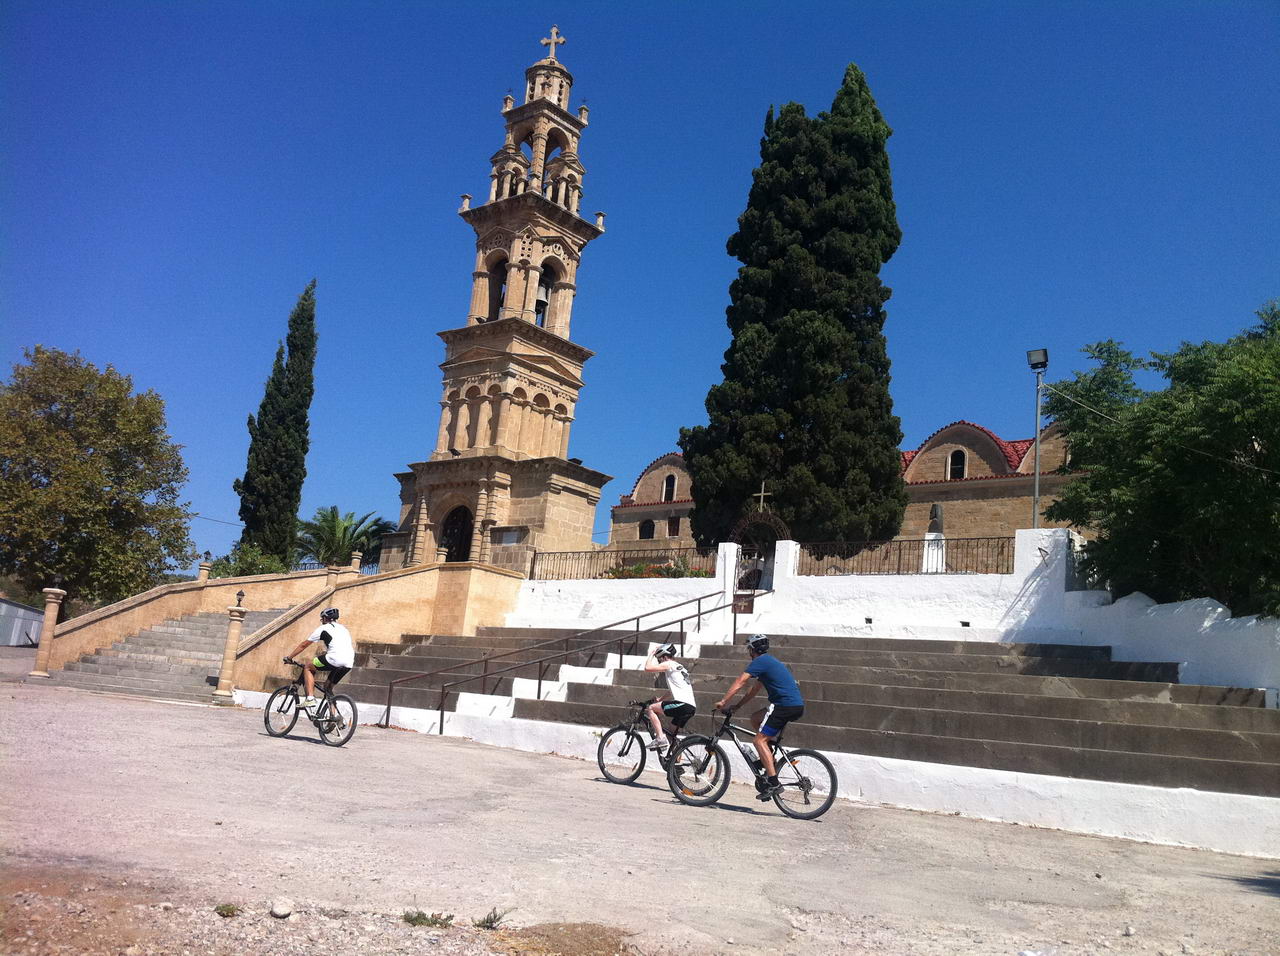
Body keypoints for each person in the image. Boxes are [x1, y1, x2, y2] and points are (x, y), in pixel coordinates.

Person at [712, 633, 804, 799]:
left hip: (783, 705)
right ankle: (767, 757)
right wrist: (737, 706)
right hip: (794, 705)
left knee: (758, 740)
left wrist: (724, 701)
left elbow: (741, 681)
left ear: (752, 649)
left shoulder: (760, 662)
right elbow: (753, 690)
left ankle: (774, 783)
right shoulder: (768, 663)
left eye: (749, 648)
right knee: (755, 718)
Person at [285, 607, 354, 711]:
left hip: (334, 658)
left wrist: (289, 657)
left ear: (326, 618)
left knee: (308, 667)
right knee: (328, 688)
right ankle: (333, 718)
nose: (322, 620)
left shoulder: (323, 628)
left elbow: (304, 645)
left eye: (322, 618)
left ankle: (310, 698)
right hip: (349, 662)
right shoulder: (344, 629)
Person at [641, 642, 696, 753]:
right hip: (691, 707)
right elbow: (673, 690)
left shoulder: (669, 664)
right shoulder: (681, 668)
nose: (660, 662)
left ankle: (660, 738)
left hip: (682, 704)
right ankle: (675, 762)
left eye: (660, 659)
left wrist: (651, 653)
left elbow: (647, 668)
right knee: (671, 735)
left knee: (651, 708)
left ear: (665, 657)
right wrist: (660, 700)